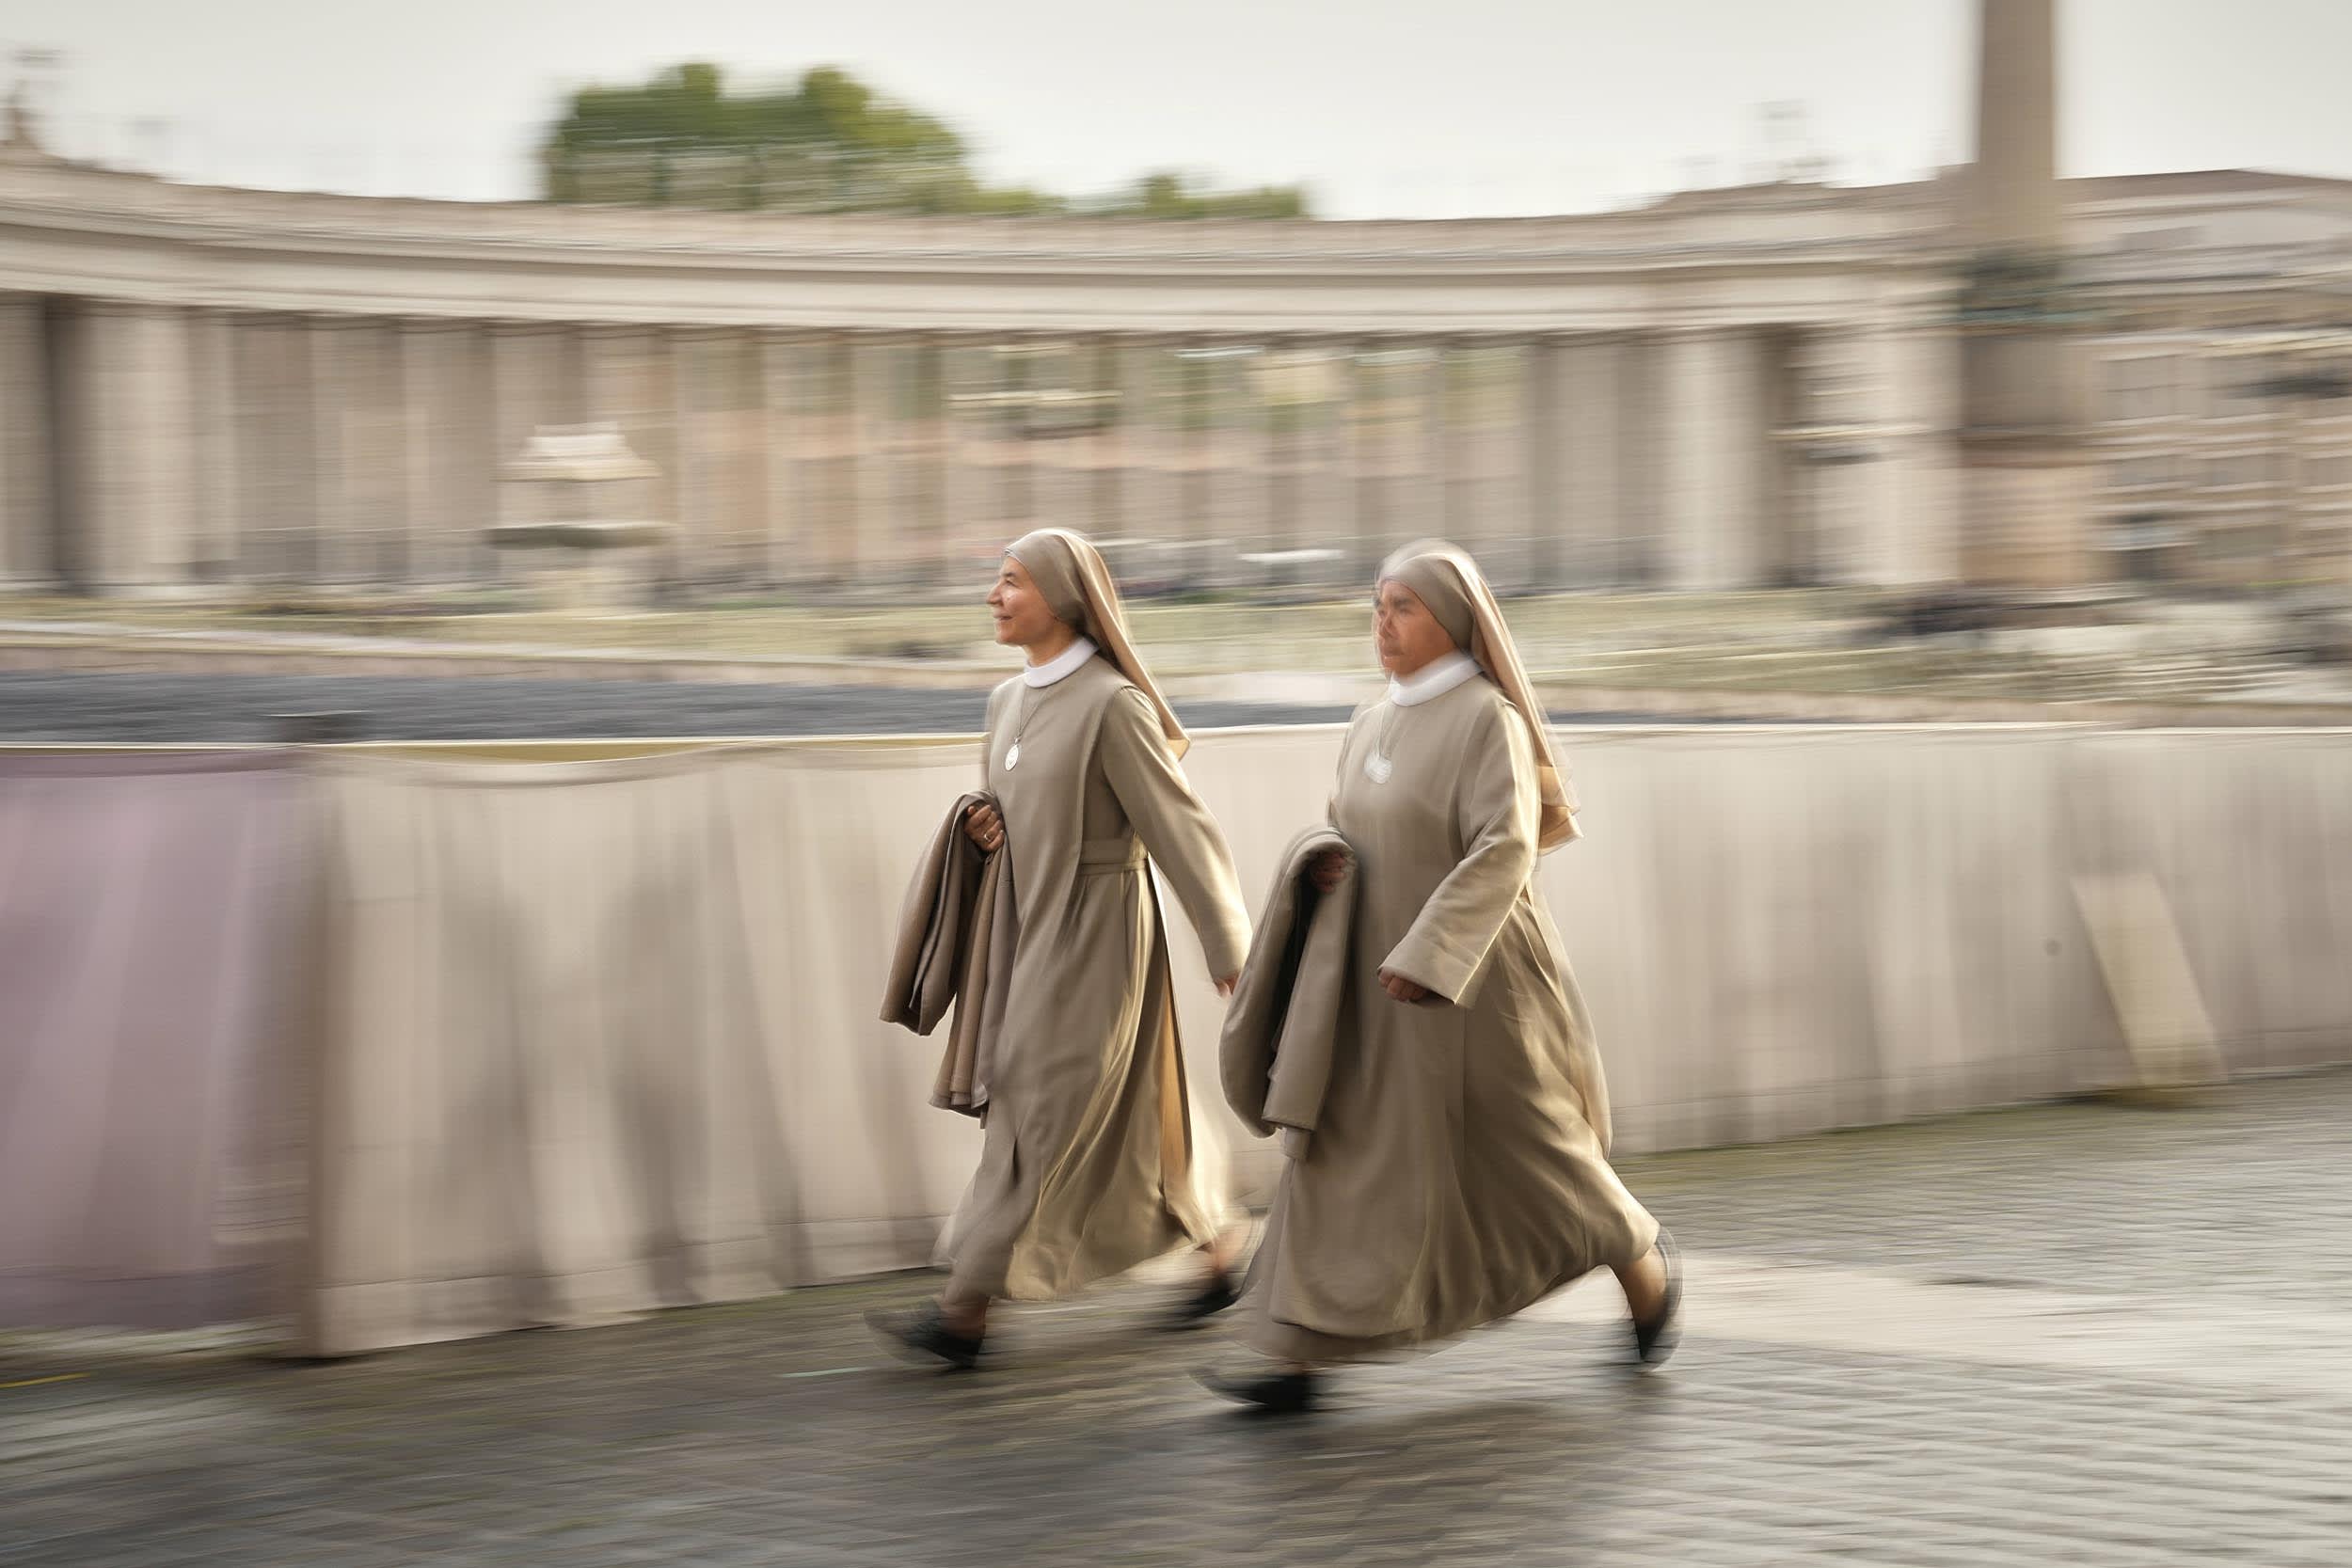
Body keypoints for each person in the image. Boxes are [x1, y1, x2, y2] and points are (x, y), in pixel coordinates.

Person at [1201, 539, 1679, 1414]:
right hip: (1370, 983)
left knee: (1535, 1150)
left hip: (1479, 984)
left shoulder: (1483, 717)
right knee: (1333, 1145)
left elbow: (1504, 845)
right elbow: (1349, 824)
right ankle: (1293, 1354)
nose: (1382, 624)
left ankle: (1643, 1267)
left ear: (1452, 620)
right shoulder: (1369, 718)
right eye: (1377, 606)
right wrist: (1326, 867)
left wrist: (1429, 956)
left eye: (1403, 607)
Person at [869, 529, 1253, 1369]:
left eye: (1010, 582)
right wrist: (982, 823)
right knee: (1145, 1118)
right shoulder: (1005, 702)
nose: (993, 597)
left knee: (1029, 1109)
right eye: (996, 582)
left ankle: (963, 1311)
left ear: (1061, 596)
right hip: (1022, 935)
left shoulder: (1114, 705)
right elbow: (1012, 809)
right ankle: (1220, 1250)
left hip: (1098, 943)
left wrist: (1228, 944)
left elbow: (1181, 828)